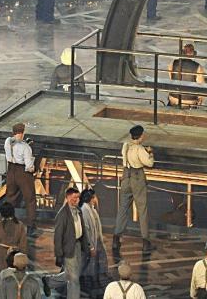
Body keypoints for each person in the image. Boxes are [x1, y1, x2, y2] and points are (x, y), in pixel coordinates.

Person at [113, 125, 154, 255]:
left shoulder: (126, 145)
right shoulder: (139, 148)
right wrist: (150, 153)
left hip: (126, 176)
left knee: (123, 209)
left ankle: (116, 239)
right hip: (137, 177)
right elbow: (149, 163)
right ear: (141, 136)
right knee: (142, 209)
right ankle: (145, 242)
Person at [53, 187, 86, 299]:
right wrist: (58, 255)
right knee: (74, 280)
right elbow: (57, 237)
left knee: (71, 275)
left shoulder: (79, 211)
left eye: (77, 198)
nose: (76, 200)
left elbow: (83, 231)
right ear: (67, 198)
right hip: (68, 249)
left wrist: (86, 246)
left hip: (78, 246)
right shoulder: (62, 214)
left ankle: (49, 281)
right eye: (73, 198)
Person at [3, 123, 36, 231]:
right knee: (29, 199)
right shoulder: (26, 148)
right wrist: (34, 169)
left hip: (11, 170)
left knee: (10, 196)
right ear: (22, 133)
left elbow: (15, 143)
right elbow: (29, 166)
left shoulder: (8, 141)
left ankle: (7, 221)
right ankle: (30, 225)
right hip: (23, 173)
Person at [78, 188, 107, 296]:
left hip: (97, 241)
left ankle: (95, 282)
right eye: (94, 197)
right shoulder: (85, 211)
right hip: (91, 243)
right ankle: (89, 284)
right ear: (90, 198)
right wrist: (91, 247)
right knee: (88, 264)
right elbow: (86, 232)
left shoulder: (92, 209)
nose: (96, 199)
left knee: (97, 262)